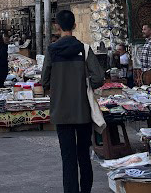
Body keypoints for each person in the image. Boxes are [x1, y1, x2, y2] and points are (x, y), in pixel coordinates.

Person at [41, 10, 105, 193]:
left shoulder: (52, 50)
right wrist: (86, 84)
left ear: (57, 27)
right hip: (82, 110)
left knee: (67, 158)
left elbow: (44, 80)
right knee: (84, 155)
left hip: (61, 111)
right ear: (75, 25)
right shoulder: (84, 49)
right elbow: (98, 77)